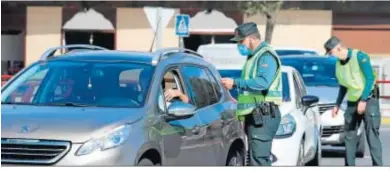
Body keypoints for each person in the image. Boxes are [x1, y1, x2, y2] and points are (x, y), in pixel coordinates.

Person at [221, 22, 282, 166]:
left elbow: (263, 82)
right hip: (257, 115)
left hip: (264, 115)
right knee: (255, 160)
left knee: (259, 161)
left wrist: (235, 83)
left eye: (241, 41)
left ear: (251, 38)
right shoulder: (253, 57)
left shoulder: (265, 56)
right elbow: (251, 89)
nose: (239, 46)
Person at [325, 36, 383, 166]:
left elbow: (369, 79)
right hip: (352, 102)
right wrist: (337, 104)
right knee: (349, 136)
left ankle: (378, 166)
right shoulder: (338, 64)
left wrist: (363, 100)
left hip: (368, 100)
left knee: (371, 135)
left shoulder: (360, 56)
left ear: (338, 48)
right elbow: (343, 85)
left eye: (331, 52)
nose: (331, 55)